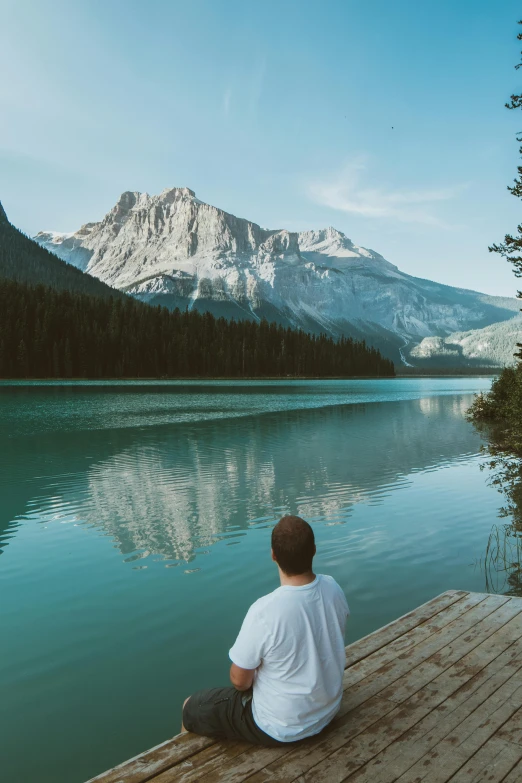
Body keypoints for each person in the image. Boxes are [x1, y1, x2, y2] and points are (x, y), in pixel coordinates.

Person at [181, 514, 350, 746]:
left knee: (191, 706)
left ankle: (183, 762)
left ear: (273, 555)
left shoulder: (265, 612)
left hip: (281, 727)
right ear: (314, 550)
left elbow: (239, 682)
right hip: (328, 710)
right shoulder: (333, 588)